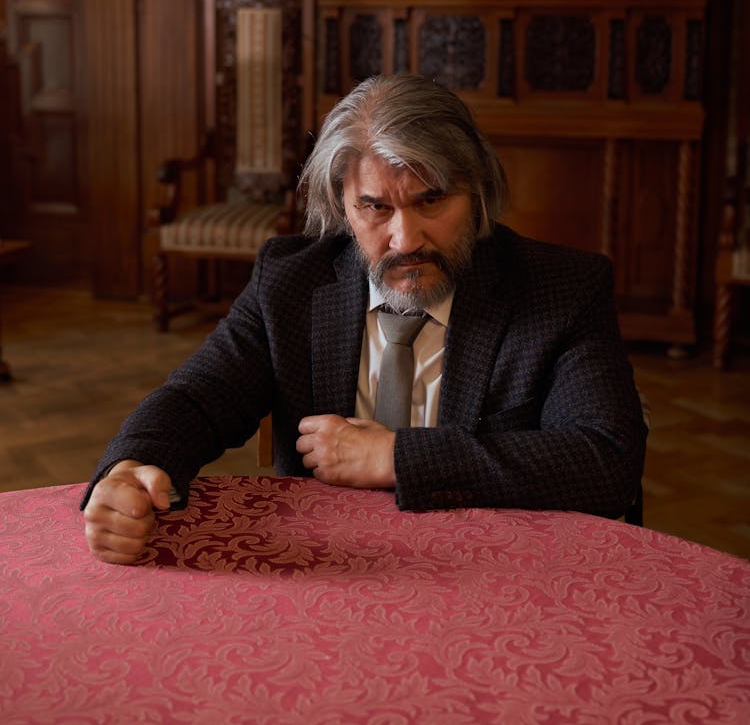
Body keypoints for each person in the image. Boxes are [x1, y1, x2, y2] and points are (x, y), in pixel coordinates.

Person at [82, 73, 647, 564]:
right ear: (341, 204)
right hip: (331, 572)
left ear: (477, 194)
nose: (406, 239)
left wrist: (396, 457)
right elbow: (198, 399)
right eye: (375, 207)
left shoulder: (563, 289)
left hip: (504, 578)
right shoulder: (292, 284)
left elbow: (606, 461)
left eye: (432, 201)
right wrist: (133, 466)